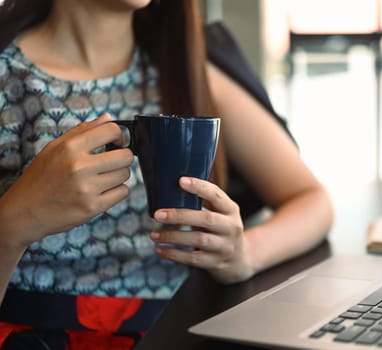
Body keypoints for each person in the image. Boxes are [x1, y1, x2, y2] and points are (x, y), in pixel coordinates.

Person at [0, 0, 333, 348]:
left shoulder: (187, 73)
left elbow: (313, 199)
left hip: (178, 332)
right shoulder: (8, 76)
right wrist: (13, 223)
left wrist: (245, 253)